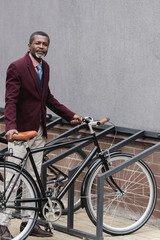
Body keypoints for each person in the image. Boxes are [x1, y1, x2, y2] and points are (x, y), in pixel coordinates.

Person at [0, 31, 82, 240]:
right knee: (14, 179)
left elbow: (47, 98)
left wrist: (70, 115)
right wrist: (10, 127)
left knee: (34, 180)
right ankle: (2, 224)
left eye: (45, 44)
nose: (41, 47)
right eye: (37, 43)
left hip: (39, 132)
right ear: (29, 45)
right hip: (20, 133)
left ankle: (29, 222)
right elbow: (10, 99)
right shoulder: (17, 67)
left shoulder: (45, 67)